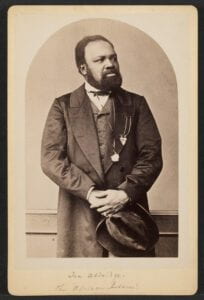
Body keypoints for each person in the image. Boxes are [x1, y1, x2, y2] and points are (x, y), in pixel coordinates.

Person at [41, 35, 163, 257]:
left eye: (113, 58)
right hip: (80, 217)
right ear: (83, 68)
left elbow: (151, 157)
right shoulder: (63, 106)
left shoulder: (136, 104)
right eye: (100, 60)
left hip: (129, 219)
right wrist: (89, 192)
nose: (110, 64)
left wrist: (125, 194)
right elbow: (51, 160)